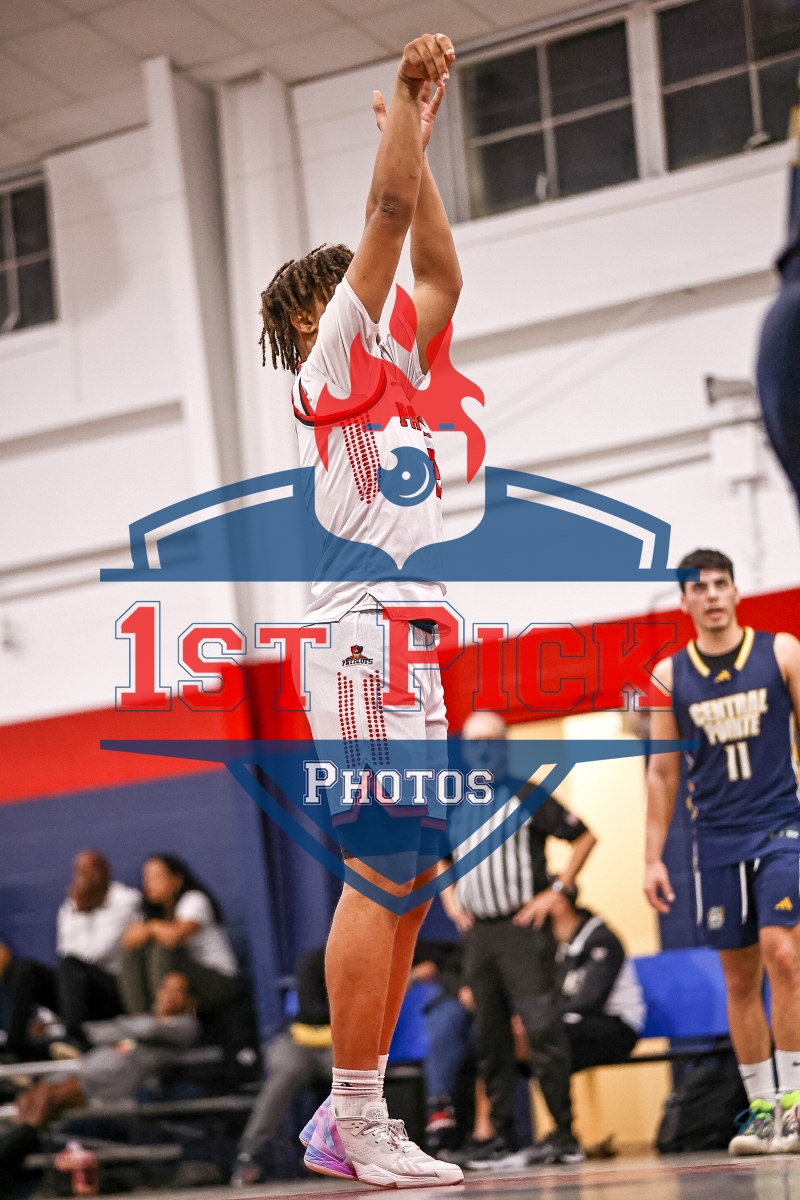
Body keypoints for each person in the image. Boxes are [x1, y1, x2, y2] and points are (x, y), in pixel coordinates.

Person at [259, 31, 463, 1189]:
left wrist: (419, 145)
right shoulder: (330, 361)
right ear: (310, 318)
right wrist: (408, 104)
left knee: (414, 877)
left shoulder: (396, 363)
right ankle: (350, 1115)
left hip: (412, 641)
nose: (370, 293)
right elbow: (386, 216)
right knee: (379, 868)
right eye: (344, 288)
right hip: (356, 640)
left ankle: (357, 1112)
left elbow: (439, 273)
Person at [645, 548, 800, 1155]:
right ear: (684, 600)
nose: (711, 594)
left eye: (720, 584)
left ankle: (795, 1102)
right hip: (714, 838)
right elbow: (662, 773)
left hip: (781, 826)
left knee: (782, 952)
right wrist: (652, 857)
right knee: (739, 977)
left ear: (735, 591)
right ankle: (762, 1111)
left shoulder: (781, 651)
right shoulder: (669, 675)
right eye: (699, 587)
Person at [442, 711, 597, 1168]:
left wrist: (557, 891)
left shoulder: (527, 794)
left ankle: (564, 1132)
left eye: (492, 741)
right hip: (479, 934)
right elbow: (438, 855)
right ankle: (502, 1136)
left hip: (521, 930)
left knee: (542, 1029)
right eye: (476, 742)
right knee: (490, 1037)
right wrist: (451, 900)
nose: (484, 750)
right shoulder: (455, 802)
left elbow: (584, 836)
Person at [0, 851, 140, 1057]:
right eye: (78, 871)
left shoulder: (125, 900)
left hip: (113, 992)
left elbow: (96, 951)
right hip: (77, 993)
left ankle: (74, 1039)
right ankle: (15, 1047)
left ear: (103, 871)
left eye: (88, 870)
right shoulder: (70, 906)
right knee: (25, 969)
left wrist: (81, 913)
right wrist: (47, 1018)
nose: (82, 877)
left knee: (71, 964)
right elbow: (65, 956)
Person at [11, 972, 199, 1123]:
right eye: (166, 988)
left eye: (177, 991)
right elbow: (96, 1033)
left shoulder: (187, 1025)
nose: (169, 994)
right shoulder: (142, 1018)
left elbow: (148, 1029)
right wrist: (125, 1028)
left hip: (116, 1082)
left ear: (190, 1001)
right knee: (39, 1092)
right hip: (92, 1066)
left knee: (51, 1098)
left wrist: (122, 1027)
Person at [231, 946, 331, 1187]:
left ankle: (330, 1154)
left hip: (344, 1044)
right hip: (299, 1039)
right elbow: (311, 1010)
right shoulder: (317, 959)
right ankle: (249, 1155)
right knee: (284, 1075)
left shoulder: (378, 962)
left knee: (355, 1078)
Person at [120, 855, 240, 1020]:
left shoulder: (195, 899)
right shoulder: (149, 911)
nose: (148, 883)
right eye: (146, 877)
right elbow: (128, 940)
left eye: (156, 877)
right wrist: (148, 929)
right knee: (133, 953)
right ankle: (141, 1020)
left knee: (162, 949)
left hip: (218, 978)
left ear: (176, 880)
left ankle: (164, 1020)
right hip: (184, 977)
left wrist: (151, 927)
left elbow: (174, 937)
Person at [552, 886, 644, 1073]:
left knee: (548, 1040)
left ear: (559, 903)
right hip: (575, 1023)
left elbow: (589, 1000)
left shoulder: (602, 940)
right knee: (508, 1040)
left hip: (617, 1026)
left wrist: (543, 1017)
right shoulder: (555, 944)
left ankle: (556, 1094)